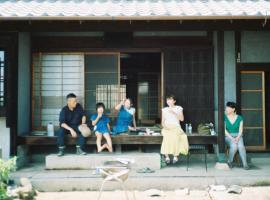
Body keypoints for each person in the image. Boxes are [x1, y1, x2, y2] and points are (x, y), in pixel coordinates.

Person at [161, 95, 189, 164]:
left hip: (176, 127)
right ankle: (166, 157)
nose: (168, 101)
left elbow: (182, 119)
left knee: (175, 137)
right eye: (167, 100)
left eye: (170, 100)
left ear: (174, 101)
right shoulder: (164, 109)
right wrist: (165, 127)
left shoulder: (178, 108)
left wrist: (174, 113)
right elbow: (162, 122)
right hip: (167, 127)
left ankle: (175, 156)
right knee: (166, 138)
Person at [225, 101, 249, 170]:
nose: (226, 109)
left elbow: (240, 130)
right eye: (226, 107)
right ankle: (229, 161)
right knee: (234, 146)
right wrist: (232, 138)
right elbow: (224, 130)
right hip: (228, 136)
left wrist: (238, 137)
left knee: (241, 146)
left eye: (228, 108)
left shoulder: (240, 118)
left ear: (233, 109)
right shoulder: (225, 117)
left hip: (238, 136)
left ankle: (245, 164)